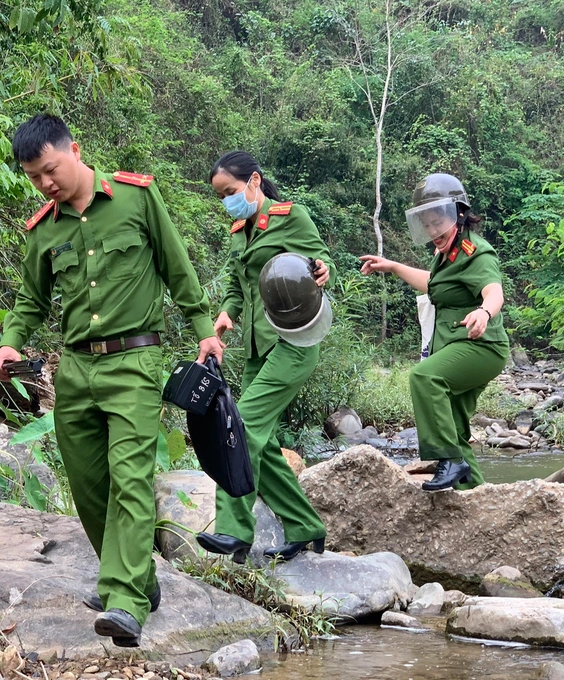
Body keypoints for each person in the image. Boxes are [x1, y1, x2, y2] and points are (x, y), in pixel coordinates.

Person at [0, 114, 223, 647]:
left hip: (134, 363)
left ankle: (124, 600)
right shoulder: (44, 228)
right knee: (89, 486)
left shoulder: (136, 199)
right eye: (34, 177)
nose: (46, 183)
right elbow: (31, 300)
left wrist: (204, 330)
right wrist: (11, 341)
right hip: (75, 369)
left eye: (50, 169)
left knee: (131, 477)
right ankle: (138, 577)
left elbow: (176, 266)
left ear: (73, 149)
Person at [195, 151, 332, 564]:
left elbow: (322, 262)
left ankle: (234, 531)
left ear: (254, 180)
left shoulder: (292, 216)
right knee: (266, 447)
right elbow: (239, 287)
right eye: (220, 196)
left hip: (293, 342)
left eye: (231, 192)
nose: (227, 202)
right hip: (257, 347)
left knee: (241, 426)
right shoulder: (240, 230)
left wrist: (325, 270)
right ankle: (307, 527)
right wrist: (225, 313)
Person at [360, 173, 509, 491]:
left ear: (457, 213)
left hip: (480, 346)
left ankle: (449, 461)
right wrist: (395, 267)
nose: (432, 231)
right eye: (426, 224)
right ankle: (474, 497)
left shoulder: (475, 252)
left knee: (424, 377)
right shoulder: (446, 256)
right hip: (454, 346)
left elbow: (493, 291)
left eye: (437, 221)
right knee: (453, 428)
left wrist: (484, 312)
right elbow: (435, 285)